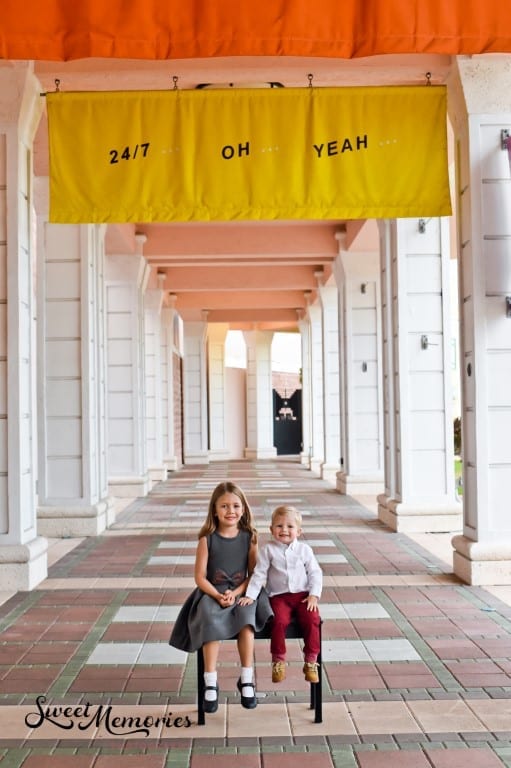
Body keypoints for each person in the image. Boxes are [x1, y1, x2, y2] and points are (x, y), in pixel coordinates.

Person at [169, 481, 273, 713]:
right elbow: (200, 578)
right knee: (207, 616)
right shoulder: (207, 540)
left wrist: (235, 593)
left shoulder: (250, 537)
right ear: (214, 510)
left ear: (243, 509)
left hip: (242, 591)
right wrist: (217, 595)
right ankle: (210, 680)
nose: (231, 511)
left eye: (236, 506)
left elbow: (254, 574)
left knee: (246, 618)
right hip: (212, 591)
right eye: (224, 506)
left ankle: (247, 678)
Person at [238, 504, 322, 684]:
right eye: (279, 526)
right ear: (271, 529)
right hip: (278, 597)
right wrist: (250, 596)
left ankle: (311, 661)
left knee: (312, 619)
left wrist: (314, 594)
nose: (284, 530)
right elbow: (259, 574)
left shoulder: (304, 550)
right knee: (278, 621)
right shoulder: (267, 550)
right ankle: (278, 661)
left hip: (303, 596)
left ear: (299, 531)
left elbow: (315, 572)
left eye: (290, 527)